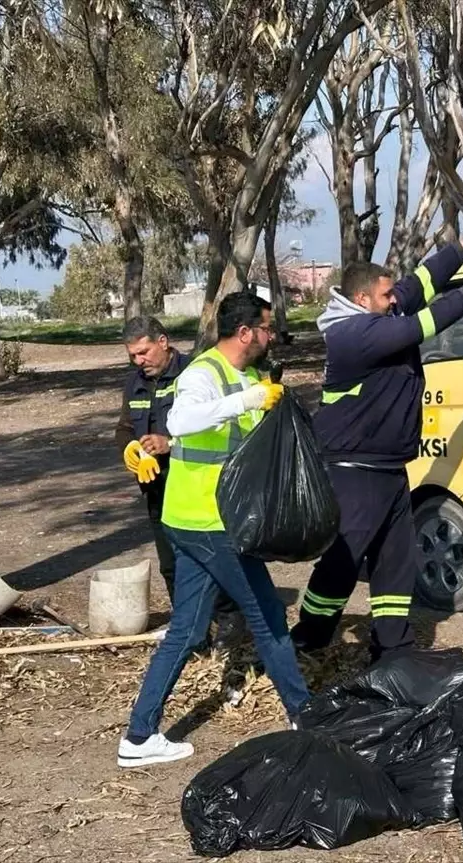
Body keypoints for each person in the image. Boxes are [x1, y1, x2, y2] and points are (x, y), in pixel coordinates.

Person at [290, 217, 463, 663]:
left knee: (396, 563)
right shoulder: (352, 334)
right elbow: (422, 326)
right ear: (361, 299)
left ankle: (393, 650)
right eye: (386, 296)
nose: (396, 301)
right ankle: (309, 637)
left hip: (389, 467)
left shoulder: (381, 311)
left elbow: (422, 283)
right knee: (344, 559)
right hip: (352, 468)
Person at [117, 293, 309, 768]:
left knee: (185, 628)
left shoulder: (249, 376)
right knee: (267, 619)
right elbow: (180, 420)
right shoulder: (203, 373)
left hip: (192, 520)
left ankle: (139, 737)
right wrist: (248, 399)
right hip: (211, 524)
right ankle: (307, 717)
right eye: (266, 328)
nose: (270, 336)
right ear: (245, 332)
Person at [116, 316, 239, 644]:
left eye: (143, 352)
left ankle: (229, 626)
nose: (138, 361)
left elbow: (215, 427)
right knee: (171, 566)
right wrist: (129, 448)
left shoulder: (195, 374)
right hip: (157, 488)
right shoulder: (135, 383)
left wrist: (168, 444)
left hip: (195, 486)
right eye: (132, 356)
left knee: (212, 558)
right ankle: (191, 632)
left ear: (163, 342)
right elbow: (126, 427)